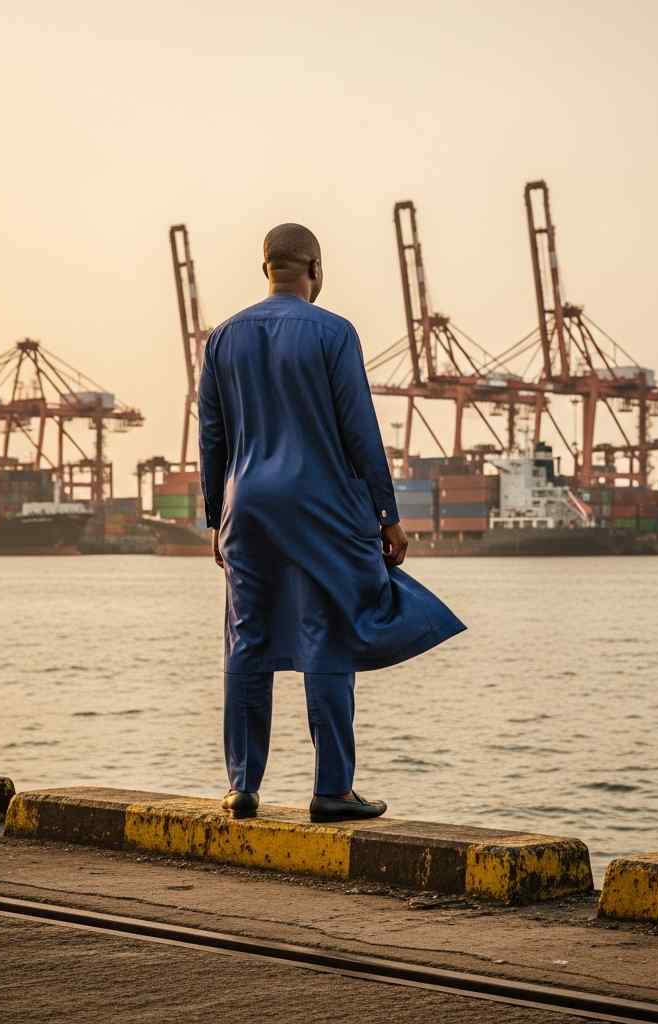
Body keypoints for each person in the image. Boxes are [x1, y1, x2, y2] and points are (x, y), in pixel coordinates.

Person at [198, 223, 465, 823]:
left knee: (247, 641)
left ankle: (242, 787)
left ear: (265, 267)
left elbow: (210, 436)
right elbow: (360, 433)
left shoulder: (221, 339)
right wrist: (387, 516)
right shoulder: (334, 332)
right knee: (328, 636)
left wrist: (217, 518)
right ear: (314, 269)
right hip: (321, 507)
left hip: (246, 508)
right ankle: (333, 790)